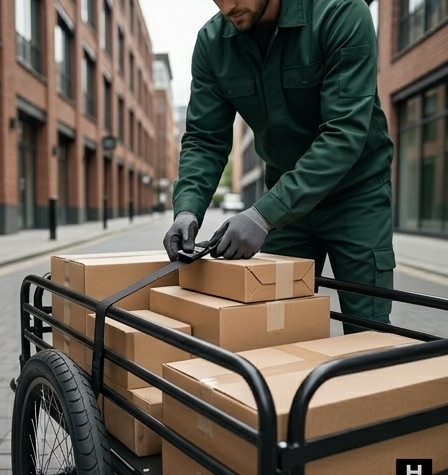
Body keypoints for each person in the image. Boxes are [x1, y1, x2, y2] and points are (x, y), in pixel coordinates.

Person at [163, 0, 395, 331]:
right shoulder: (213, 43)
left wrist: (262, 214)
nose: (227, 7)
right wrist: (187, 209)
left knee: (368, 332)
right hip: (287, 208)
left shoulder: (339, 12)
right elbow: (204, 139)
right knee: (277, 327)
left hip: (356, 197)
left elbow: (343, 134)